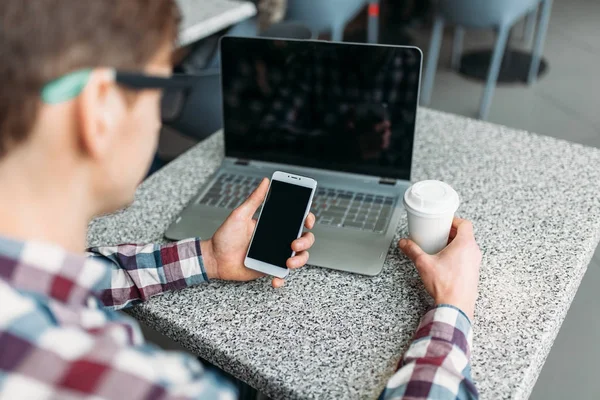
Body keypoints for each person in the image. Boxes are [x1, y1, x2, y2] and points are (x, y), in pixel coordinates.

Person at [0, 1, 481, 399]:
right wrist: (452, 308)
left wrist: (207, 256)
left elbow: (67, 277)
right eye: (161, 92)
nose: (155, 123)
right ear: (99, 110)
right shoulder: (144, 385)